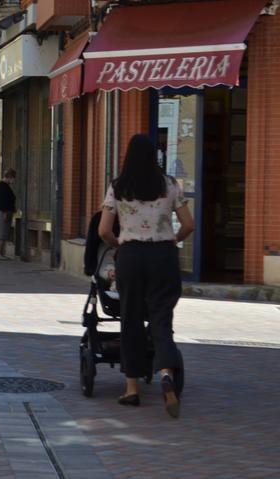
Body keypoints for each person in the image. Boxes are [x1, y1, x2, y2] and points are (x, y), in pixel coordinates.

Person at [99, 134, 194, 418]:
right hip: (163, 256)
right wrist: (172, 239)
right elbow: (189, 224)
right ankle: (166, 372)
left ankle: (131, 389)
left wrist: (120, 245)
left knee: (130, 318)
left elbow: (104, 231)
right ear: (156, 156)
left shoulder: (118, 187)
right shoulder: (169, 185)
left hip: (131, 258)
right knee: (161, 319)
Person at [0, 169, 17, 260]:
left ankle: (0, 253)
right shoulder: (2, 186)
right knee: (0, 233)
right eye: (13, 178)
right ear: (9, 177)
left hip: (3, 212)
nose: (14, 181)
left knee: (2, 233)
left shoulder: (4, 185)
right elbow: (2, 201)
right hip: (2, 212)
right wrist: (5, 213)